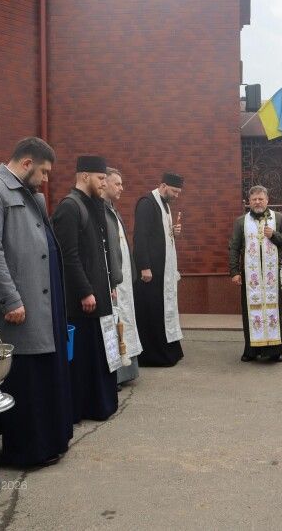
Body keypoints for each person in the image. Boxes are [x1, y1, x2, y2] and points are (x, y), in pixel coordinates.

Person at [0, 137, 73, 467]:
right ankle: (27, 450)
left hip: (43, 302)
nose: (45, 179)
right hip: (18, 307)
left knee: (43, 377)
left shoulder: (32, 196)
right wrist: (10, 298)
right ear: (27, 163)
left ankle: (50, 442)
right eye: (43, 172)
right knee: (26, 380)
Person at [52, 155, 120, 422]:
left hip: (99, 293)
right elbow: (68, 255)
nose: (104, 184)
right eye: (101, 178)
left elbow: (100, 252)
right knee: (84, 359)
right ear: (84, 176)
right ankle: (84, 407)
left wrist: (108, 285)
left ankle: (100, 404)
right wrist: (85, 291)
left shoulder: (93, 205)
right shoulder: (70, 207)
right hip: (83, 301)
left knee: (99, 354)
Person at [229, 185, 282, 362]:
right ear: (248, 202)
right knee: (250, 312)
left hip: (271, 275)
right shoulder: (241, 221)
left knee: (273, 310)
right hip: (250, 276)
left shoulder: (278, 218)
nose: (257, 202)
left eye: (260, 199)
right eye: (254, 199)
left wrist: (274, 235)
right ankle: (251, 351)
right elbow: (234, 247)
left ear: (267, 200)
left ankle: (275, 351)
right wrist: (234, 271)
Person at [133, 173, 185, 367]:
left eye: (179, 192)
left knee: (163, 310)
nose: (176, 195)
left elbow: (160, 235)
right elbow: (140, 237)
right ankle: (152, 356)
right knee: (152, 312)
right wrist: (144, 267)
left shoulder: (165, 205)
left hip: (164, 270)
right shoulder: (147, 203)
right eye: (174, 191)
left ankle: (168, 352)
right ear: (163, 185)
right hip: (151, 271)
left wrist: (174, 232)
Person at [104, 167, 141, 385]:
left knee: (126, 321)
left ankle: (128, 371)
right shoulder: (100, 210)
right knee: (114, 324)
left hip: (125, 278)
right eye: (116, 183)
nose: (121, 188)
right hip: (113, 281)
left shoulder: (113, 210)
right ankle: (116, 374)